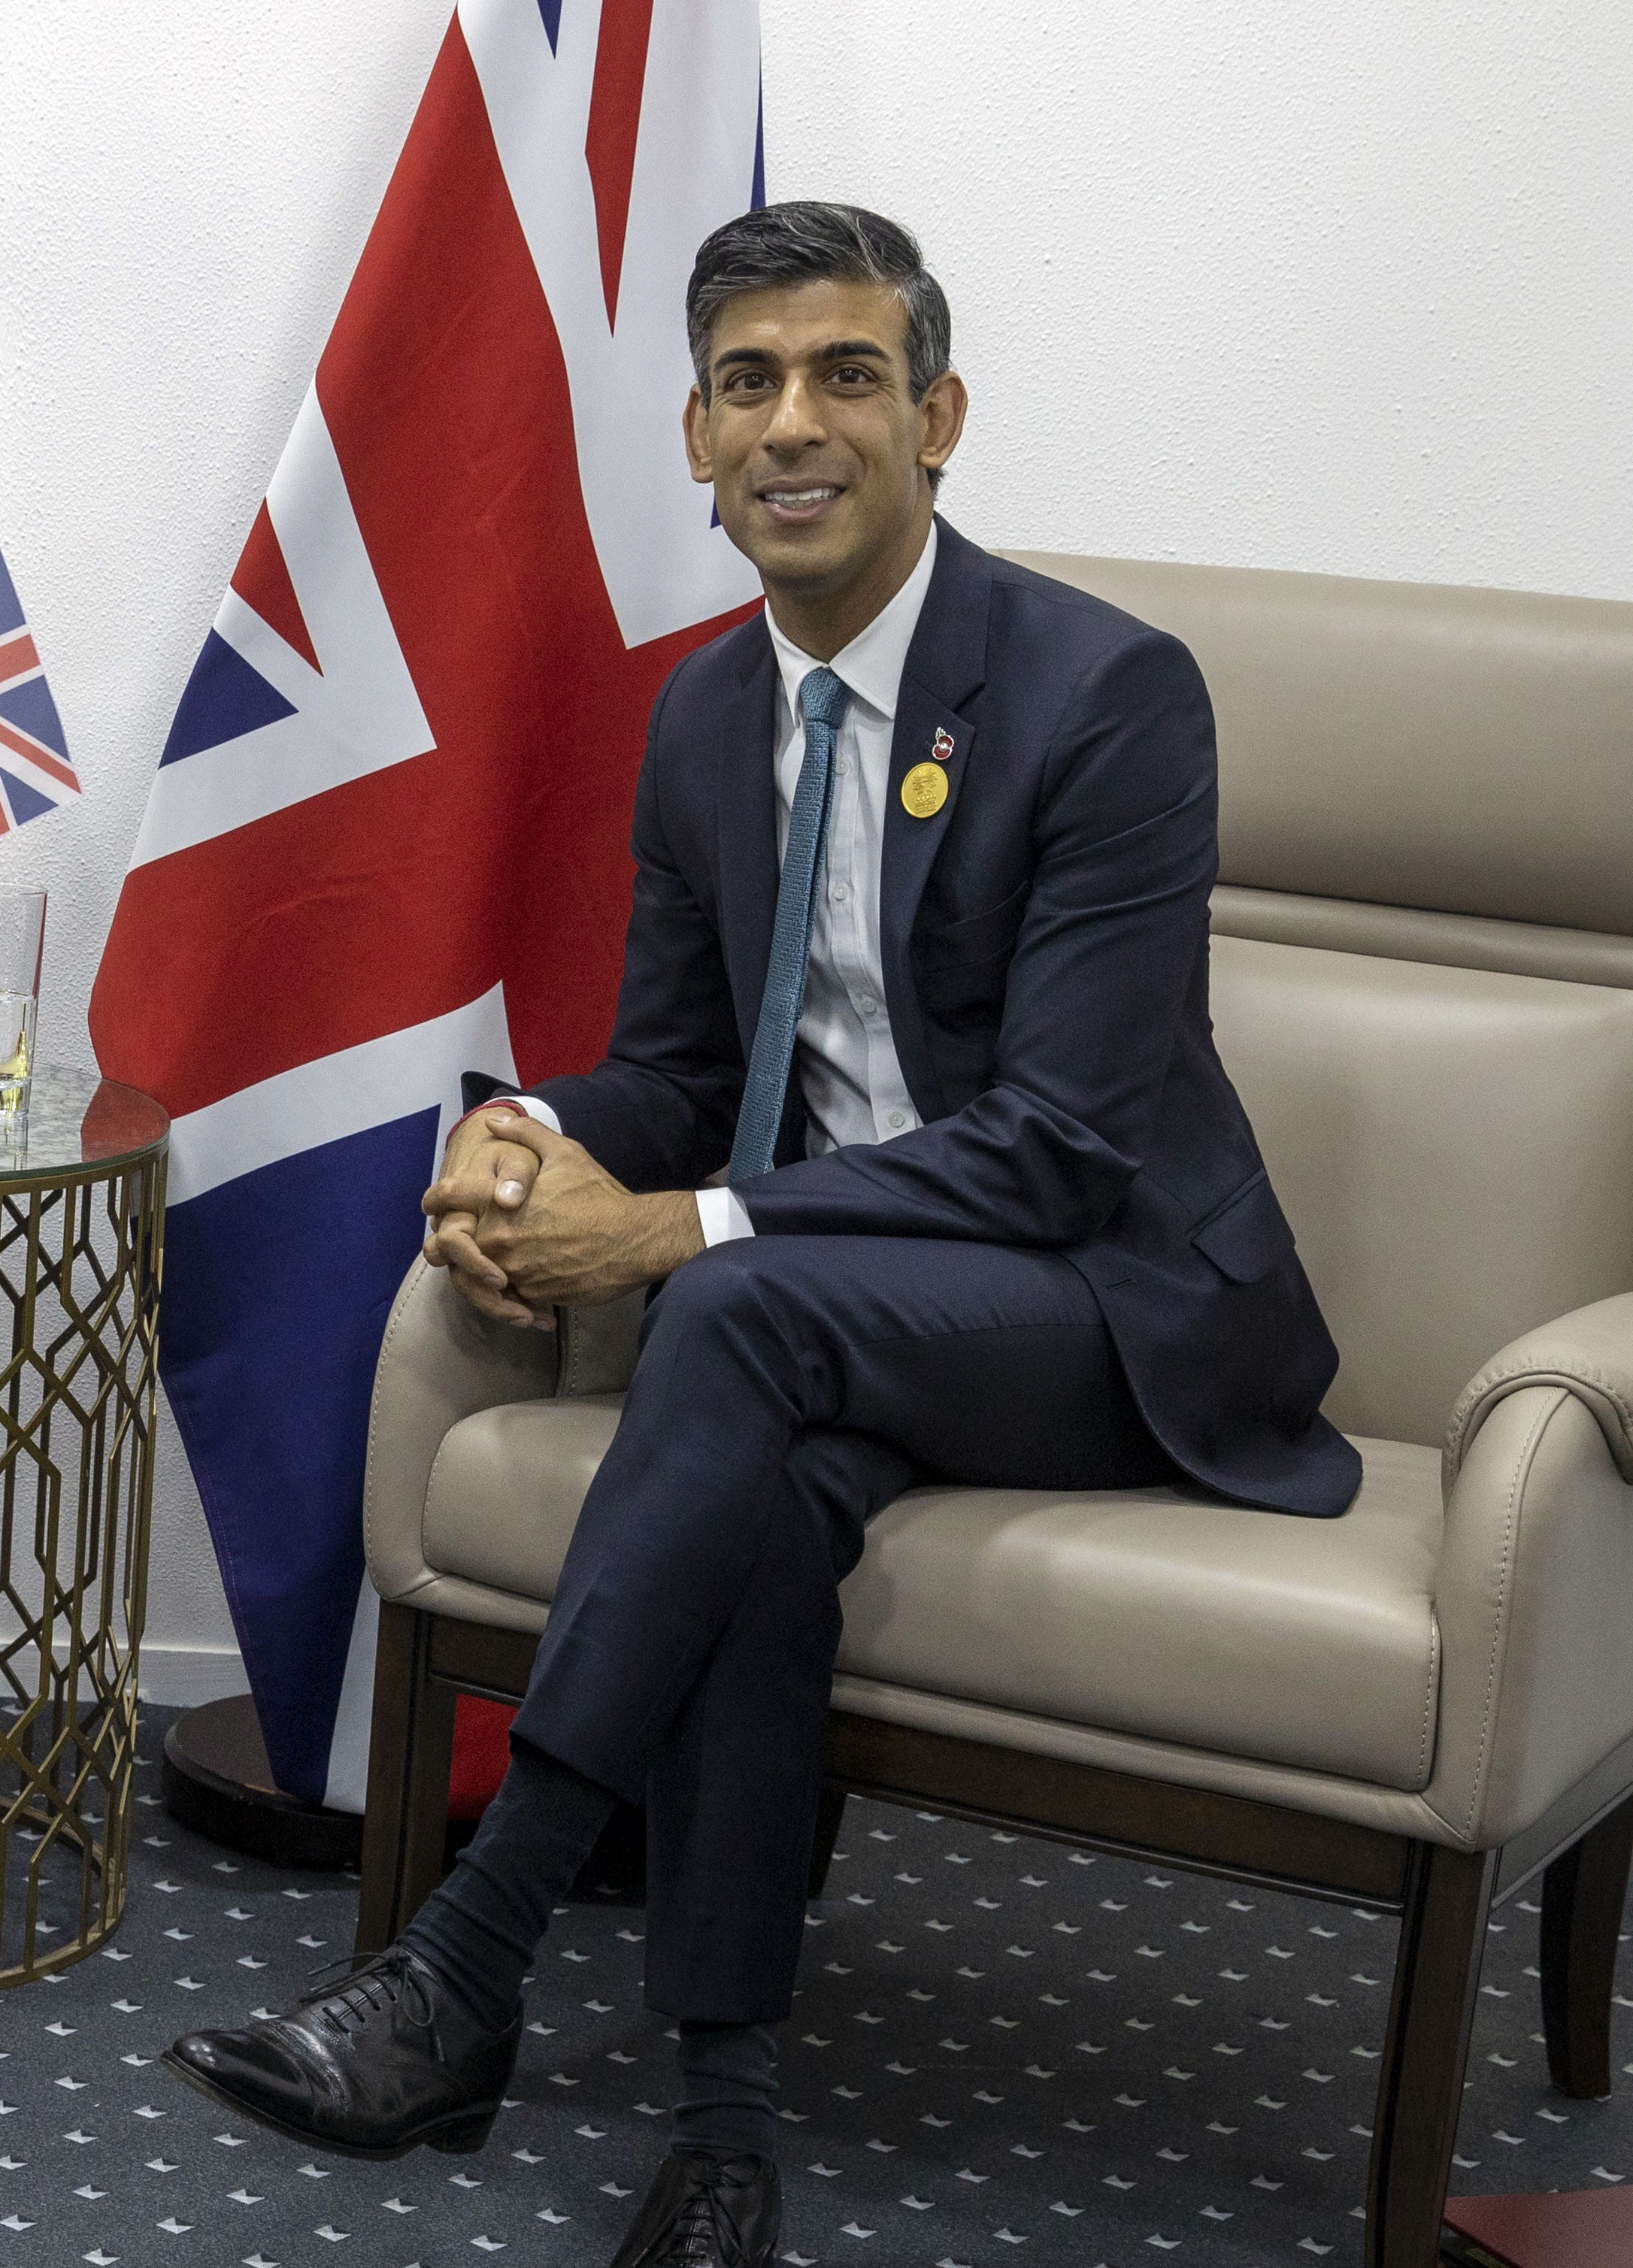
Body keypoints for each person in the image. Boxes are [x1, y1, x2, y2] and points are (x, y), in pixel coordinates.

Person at [164, 202, 1357, 2268]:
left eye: (848, 375)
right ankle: (724, 2130)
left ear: (939, 418)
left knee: (732, 1305)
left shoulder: (1108, 698)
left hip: (1120, 1310)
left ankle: (470, 1953)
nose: (795, 424)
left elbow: (1065, 1146)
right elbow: (677, 1061)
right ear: (700, 442)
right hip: (845, 1316)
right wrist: (536, 1141)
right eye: (748, 384)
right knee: (764, 1457)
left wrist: (686, 1224)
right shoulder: (713, 717)